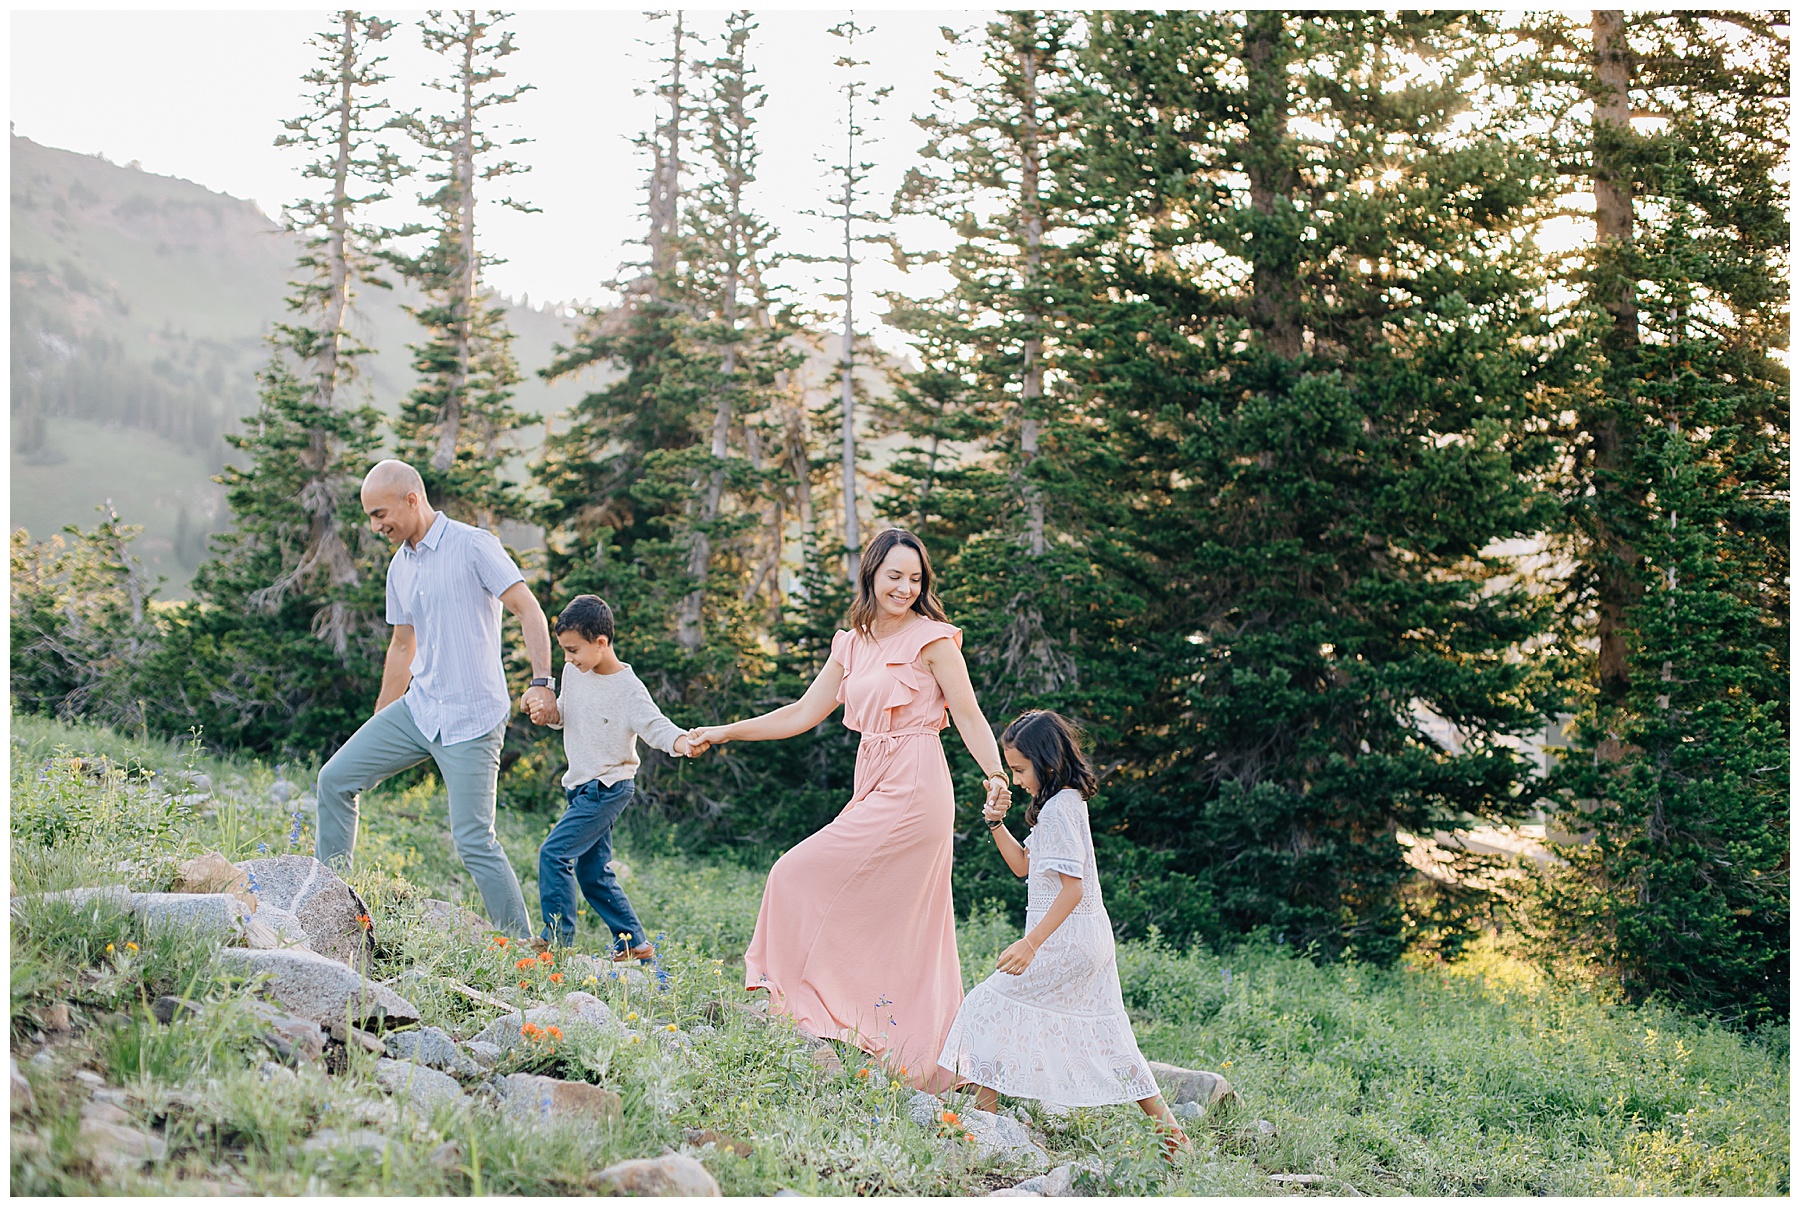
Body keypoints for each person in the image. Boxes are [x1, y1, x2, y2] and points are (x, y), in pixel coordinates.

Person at [684, 529, 1010, 1090]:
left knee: (799, 874)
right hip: (874, 778)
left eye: (915, 579)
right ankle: (901, 1042)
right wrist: (725, 732)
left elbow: (970, 715)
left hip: (914, 785)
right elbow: (801, 713)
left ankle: (814, 1010)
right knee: (883, 917)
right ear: (871, 575)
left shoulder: (933, 640)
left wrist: (996, 773)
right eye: (894, 577)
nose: (905, 588)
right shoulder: (852, 642)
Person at [313, 459, 553, 938]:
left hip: (472, 719)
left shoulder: (473, 546)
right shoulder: (399, 566)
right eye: (369, 517)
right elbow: (403, 644)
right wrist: (381, 717)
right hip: (419, 709)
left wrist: (543, 682)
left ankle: (526, 947)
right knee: (334, 780)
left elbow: (529, 609)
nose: (376, 526)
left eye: (380, 514)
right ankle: (327, 908)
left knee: (473, 841)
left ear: (411, 499)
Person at [935, 709, 1190, 1157]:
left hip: (1065, 940)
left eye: (1018, 769)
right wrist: (996, 822)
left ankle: (984, 1131)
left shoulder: (1058, 810)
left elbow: (1072, 889)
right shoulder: (1065, 803)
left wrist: (1031, 943)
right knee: (1109, 1034)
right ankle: (1173, 1136)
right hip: (1089, 939)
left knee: (984, 1007)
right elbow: (1024, 867)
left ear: (1046, 762)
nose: (1015, 781)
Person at [522, 593, 694, 959]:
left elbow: (655, 726)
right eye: (565, 651)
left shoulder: (628, 690)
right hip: (580, 786)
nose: (567, 659)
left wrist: (682, 741)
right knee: (593, 873)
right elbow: (567, 714)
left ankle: (556, 942)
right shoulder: (575, 672)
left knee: (554, 854)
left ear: (601, 643)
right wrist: (548, 715)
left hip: (608, 787)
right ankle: (635, 944)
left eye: (573, 650)